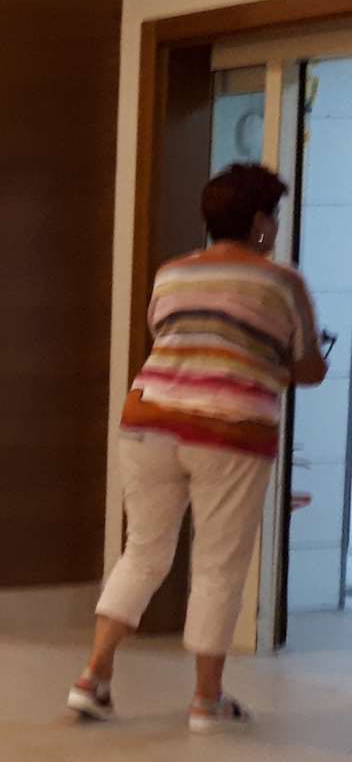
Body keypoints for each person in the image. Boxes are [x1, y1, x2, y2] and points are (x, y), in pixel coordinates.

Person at [71, 163, 330, 732]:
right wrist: (293, 361)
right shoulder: (283, 283)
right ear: (259, 222)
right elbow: (308, 367)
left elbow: (167, 336)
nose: (275, 226)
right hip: (231, 432)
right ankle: (206, 701)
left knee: (143, 552)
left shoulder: (172, 273)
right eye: (273, 216)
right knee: (217, 566)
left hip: (149, 420)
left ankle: (92, 678)